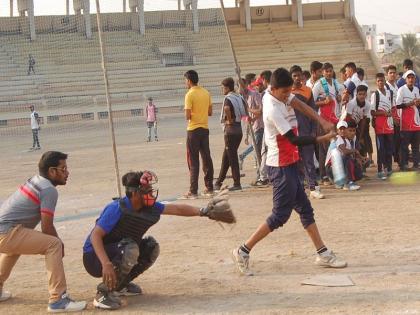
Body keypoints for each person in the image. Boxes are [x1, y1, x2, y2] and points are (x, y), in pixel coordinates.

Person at [231, 68, 346, 277]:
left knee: (305, 210)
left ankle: (322, 253)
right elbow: (293, 139)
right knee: (279, 216)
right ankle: (243, 250)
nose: (287, 96)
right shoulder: (272, 108)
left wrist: (321, 121)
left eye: (288, 92)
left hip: (290, 162)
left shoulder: (280, 94)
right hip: (280, 167)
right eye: (284, 93)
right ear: (273, 89)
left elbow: (299, 104)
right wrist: (322, 138)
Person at [82, 171, 234, 310]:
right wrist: (106, 264)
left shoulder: (150, 207)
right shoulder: (117, 208)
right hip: (94, 257)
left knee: (151, 247)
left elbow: (177, 209)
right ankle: (103, 294)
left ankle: (120, 285)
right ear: (134, 194)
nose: (151, 194)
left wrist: (203, 212)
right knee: (130, 248)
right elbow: (95, 236)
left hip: (118, 250)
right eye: (146, 191)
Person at [0, 151, 86, 312]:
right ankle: (58, 300)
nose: (67, 173)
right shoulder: (49, 190)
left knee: (14, 249)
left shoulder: (35, 180)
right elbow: (46, 227)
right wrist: (59, 244)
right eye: (63, 168)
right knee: (53, 244)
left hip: (5, 232)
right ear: (52, 171)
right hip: (6, 233)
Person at [290, 65, 324, 199]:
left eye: (299, 75)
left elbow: (314, 113)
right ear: (291, 77)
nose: (298, 78)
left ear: (303, 76)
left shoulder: (308, 91)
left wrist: (314, 130)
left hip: (306, 132)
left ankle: (313, 188)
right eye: (294, 76)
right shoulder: (287, 93)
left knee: (309, 161)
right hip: (291, 134)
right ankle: (298, 189)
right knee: (295, 163)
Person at [183, 70, 214, 198]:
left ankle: (193, 190)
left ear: (189, 81)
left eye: (185, 80)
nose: (185, 83)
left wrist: (192, 114)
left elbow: (187, 115)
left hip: (193, 130)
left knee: (193, 160)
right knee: (206, 157)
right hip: (204, 128)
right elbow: (210, 112)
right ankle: (209, 187)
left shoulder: (189, 94)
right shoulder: (206, 92)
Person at [312, 62, 344, 185]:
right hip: (323, 120)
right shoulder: (319, 85)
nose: (329, 73)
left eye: (330, 71)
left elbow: (343, 95)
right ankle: (324, 176)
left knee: (334, 147)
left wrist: (342, 98)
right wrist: (324, 102)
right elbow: (312, 103)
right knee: (324, 148)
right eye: (326, 71)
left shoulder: (336, 84)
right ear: (322, 72)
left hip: (335, 119)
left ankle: (333, 173)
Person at [214, 78, 246, 191]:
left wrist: (229, 119)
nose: (222, 89)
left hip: (230, 130)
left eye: (222, 87)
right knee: (226, 157)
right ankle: (218, 182)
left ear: (227, 88)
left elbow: (227, 108)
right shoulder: (238, 97)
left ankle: (237, 183)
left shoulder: (228, 98)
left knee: (232, 158)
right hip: (238, 130)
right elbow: (245, 109)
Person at [371, 73, 395, 179]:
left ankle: (389, 169)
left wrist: (392, 115)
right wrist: (384, 114)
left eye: (382, 80)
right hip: (380, 126)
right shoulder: (375, 95)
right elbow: (372, 112)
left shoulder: (390, 93)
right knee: (381, 149)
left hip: (389, 125)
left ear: (385, 81)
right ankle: (380, 171)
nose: (380, 82)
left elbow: (393, 107)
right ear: (376, 82)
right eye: (378, 81)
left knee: (389, 148)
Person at [395, 70, 420, 170]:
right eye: (409, 77)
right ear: (405, 79)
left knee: (415, 145)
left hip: (416, 121)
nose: (411, 79)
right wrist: (409, 104)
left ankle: (415, 165)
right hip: (405, 122)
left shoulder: (416, 89)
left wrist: (417, 103)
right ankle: (404, 165)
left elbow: (417, 103)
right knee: (404, 145)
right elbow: (397, 105)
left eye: (412, 77)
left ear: (414, 79)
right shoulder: (401, 90)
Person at [327, 120, 362, 190]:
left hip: (337, 167)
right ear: (337, 131)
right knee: (347, 157)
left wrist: (360, 158)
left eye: (344, 129)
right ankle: (348, 183)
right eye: (340, 129)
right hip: (331, 168)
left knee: (353, 162)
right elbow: (345, 152)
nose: (342, 131)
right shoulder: (337, 138)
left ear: (346, 130)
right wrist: (355, 151)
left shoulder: (346, 141)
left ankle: (341, 182)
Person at [252, 70, 272, 187]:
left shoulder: (267, 93)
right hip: (269, 125)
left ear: (264, 80)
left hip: (267, 127)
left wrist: (248, 109)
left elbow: (261, 111)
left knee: (264, 151)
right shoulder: (272, 91)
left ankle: (263, 177)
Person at [386, 65, 401, 165]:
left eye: (394, 73)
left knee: (398, 139)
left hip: (398, 115)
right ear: (387, 75)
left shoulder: (397, 86)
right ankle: (388, 164)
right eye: (390, 73)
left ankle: (399, 160)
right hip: (389, 117)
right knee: (390, 141)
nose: (392, 74)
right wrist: (393, 117)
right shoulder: (386, 87)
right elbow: (387, 105)